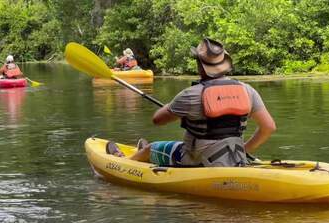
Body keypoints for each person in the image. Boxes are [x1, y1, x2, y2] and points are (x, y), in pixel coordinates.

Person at [106, 37, 276, 167]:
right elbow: (269, 127)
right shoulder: (247, 90)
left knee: (152, 147)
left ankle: (124, 163)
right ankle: (141, 152)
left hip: (194, 159)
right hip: (235, 157)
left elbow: (157, 120)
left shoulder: (191, 94)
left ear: (200, 66)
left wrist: (173, 107)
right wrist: (244, 150)